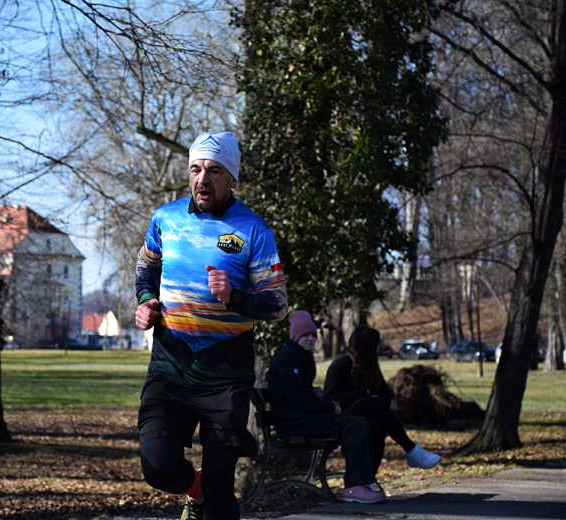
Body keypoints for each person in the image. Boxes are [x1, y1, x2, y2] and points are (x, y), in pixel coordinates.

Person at [134, 131, 288, 520]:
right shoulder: (164, 218)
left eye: (214, 171)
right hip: (170, 366)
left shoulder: (253, 229)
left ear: (232, 179)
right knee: (158, 466)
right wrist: (146, 301)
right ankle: (194, 489)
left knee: (222, 493)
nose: (202, 179)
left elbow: (278, 304)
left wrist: (235, 295)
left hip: (225, 375)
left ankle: (209, 494)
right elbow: (146, 266)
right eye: (196, 169)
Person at [267, 311, 386, 504]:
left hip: (300, 419)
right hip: (293, 424)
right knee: (354, 425)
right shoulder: (290, 357)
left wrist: (327, 405)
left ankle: (362, 484)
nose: (311, 339)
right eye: (305, 335)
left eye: (313, 335)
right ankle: (355, 487)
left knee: (359, 423)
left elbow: (301, 395)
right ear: (295, 335)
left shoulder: (300, 356)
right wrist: (329, 408)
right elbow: (296, 397)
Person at [323, 325, 442, 474]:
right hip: (340, 416)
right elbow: (329, 397)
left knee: (377, 426)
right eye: (375, 345)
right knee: (372, 403)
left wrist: (377, 402)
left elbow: (386, 394)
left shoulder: (370, 365)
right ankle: (411, 449)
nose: (378, 348)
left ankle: (368, 479)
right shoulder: (341, 363)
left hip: (364, 416)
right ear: (365, 346)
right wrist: (363, 394)